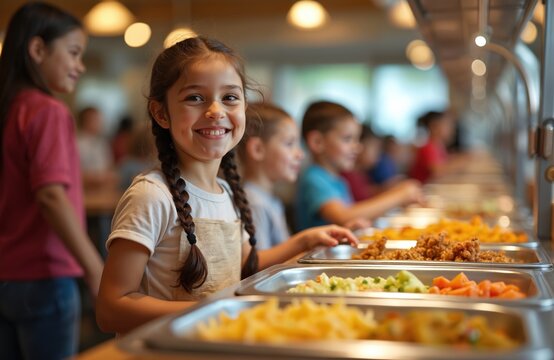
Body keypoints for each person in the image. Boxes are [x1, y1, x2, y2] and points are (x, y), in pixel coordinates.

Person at [96, 37, 358, 334]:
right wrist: (219, 309)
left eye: (230, 98)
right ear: (161, 113)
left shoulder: (229, 191)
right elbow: (111, 308)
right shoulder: (151, 195)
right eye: (195, 98)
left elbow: (245, 262)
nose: (215, 111)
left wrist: (305, 241)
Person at [0, 3, 104, 359]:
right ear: (38, 49)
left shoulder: (9, 109)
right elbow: (51, 196)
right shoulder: (48, 110)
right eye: (74, 53)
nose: (81, 66)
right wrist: (95, 269)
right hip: (45, 276)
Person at [295, 101, 423, 231]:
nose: (357, 147)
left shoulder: (336, 179)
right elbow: (344, 216)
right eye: (347, 139)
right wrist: (399, 196)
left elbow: (350, 219)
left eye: (357, 139)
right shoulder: (314, 178)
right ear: (317, 142)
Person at [236, 103, 304, 249]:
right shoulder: (255, 203)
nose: (300, 154)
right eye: (289, 143)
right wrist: (304, 242)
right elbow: (259, 265)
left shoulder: (269, 198)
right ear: (257, 149)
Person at [408, 110, 468, 183]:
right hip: (424, 190)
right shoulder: (428, 147)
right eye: (447, 125)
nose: (451, 129)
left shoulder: (438, 146)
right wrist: (461, 163)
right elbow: (438, 171)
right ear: (434, 126)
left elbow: (445, 161)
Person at [77, 106, 117, 190]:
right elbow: (76, 172)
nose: (99, 123)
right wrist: (97, 177)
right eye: (95, 119)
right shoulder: (77, 143)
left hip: (102, 188)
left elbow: (109, 167)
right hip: (84, 189)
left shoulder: (102, 143)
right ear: (85, 121)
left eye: (99, 119)